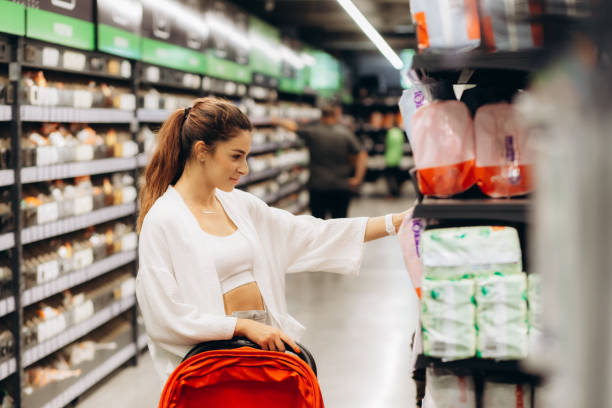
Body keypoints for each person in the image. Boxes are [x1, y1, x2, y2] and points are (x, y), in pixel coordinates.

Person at [136, 97, 411, 386]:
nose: (244, 168)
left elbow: (309, 233)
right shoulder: (164, 220)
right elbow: (164, 315)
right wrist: (241, 327)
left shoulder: (238, 204)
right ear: (202, 151)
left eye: (246, 156)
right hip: (210, 372)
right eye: (236, 156)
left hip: (260, 357)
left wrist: (395, 222)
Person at [275, 105, 367, 219]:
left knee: (318, 224)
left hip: (318, 186)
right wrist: (358, 178)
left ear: (322, 116)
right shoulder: (345, 134)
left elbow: (293, 127)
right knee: (340, 225)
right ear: (335, 116)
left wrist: (276, 120)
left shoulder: (313, 132)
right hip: (340, 187)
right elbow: (362, 154)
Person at [384, 116, 407, 198]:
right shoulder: (400, 133)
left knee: (389, 177)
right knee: (397, 176)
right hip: (398, 158)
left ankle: (392, 193)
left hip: (389, 158)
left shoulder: (390, 132)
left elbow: (387, 144)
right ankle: (397, 192)